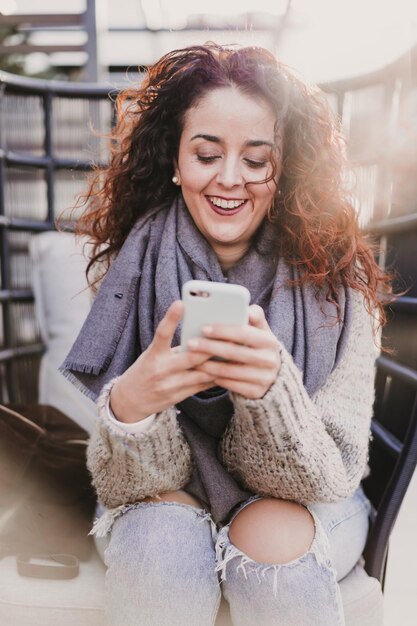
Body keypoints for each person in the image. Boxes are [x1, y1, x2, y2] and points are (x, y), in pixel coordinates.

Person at [61, 43, 392, 626]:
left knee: (270, 538)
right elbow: (122, 484)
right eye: (207, 154)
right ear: (175, 161)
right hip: (165, 494)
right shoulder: (132, 269)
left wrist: (271, 396)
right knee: (160, 542)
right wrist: (133, 406)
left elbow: (330, 472)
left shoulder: (341, 278)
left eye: (256, 160)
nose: (230, 180)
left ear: (283, 166)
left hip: (310, 495)